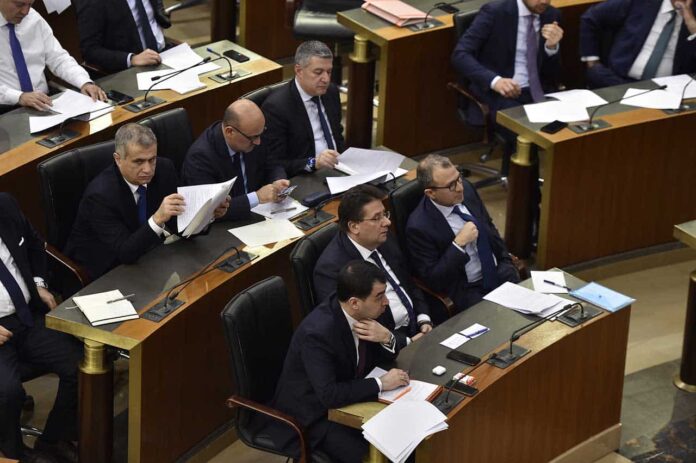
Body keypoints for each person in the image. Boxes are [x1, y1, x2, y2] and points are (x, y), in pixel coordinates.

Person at [270, 260, 410, 463]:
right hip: (315, 414)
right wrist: (381, 383)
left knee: (405, 438)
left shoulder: (370, 309)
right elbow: (329, 395)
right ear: (354, 303)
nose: (386, 302)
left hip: (351, 393)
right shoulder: (317, 334)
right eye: (379, 296)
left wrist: (386, 337)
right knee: (378, 454)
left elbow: (383, 356)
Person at [65, 124, 229, 280]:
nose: (148, 169)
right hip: (105, 269)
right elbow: (124, 253)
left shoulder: (164, 169)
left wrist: (208, 214)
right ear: (118, 159)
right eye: (138, 162)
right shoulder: (99, 196)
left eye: (152, 159)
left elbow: (178, 225)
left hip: (146, 254)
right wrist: (157, 219)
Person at [0, 193, 82, 463]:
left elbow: (35, 245)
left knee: (80, 365)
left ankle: (54, 439)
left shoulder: (6, 205)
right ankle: (14, 454)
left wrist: (38, 283)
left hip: (26, 315)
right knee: (8, 392)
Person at [314, 184, 435, 343]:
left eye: (385, 214)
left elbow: (409, 282)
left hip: (419, 328)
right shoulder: (331, 269)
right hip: (385, 345)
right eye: (377, 218)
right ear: (354, 226)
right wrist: (402, 342)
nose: (387, 222)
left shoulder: (384, 238)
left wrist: (423, 318)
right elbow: (352, 327)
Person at [451, 0, 562, 170]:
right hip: (497, 93)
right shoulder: (495, 12)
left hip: (538, 91)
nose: (544, 1)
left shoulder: (551, 15)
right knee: (526, 135)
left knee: (573, 130)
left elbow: (552, 72)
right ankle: (525, 186)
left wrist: (551, 48)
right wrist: (495, 81)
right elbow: (460, 55)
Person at [406, 155, 519, 312]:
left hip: (500, 271)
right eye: (451, 185)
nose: (460, 188)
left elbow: (489, 226)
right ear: (431, 193)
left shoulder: (467, 190)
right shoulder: (419, 227)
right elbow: (434, 279)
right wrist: (458, 245)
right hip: (469, 290)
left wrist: (505, 261)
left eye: (459, 178)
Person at [181, 99, 289, 221]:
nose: (258, 142)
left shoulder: (253, 133)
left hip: (262, 213)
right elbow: (210, 210)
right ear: (230, 132)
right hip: (224, 225)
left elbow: (272, 162)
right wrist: (257, 197)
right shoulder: (200, 157)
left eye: (260, 134)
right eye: (253, 137)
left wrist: (277, 180)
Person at [0, 0, 106, 111]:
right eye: (20, 5)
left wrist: (84, 82)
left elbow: (58, 58)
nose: (25, 11)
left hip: (44, 101)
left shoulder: (33, 18)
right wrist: (19, 97)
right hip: (6, 108)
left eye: (30, 4)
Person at [262, 40, 345, 177]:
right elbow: (275, 163)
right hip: (307, 176)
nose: (325, 79)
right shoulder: (276, 107)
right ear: (299, 70)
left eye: (329, 72)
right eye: (318, 72)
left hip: (338, 168)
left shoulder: (331, 92)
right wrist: (314, 163)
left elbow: (337, 134)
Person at [580, 0, 696, 88]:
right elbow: (591, 17)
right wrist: (592, 62)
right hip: (618, 81)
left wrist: (692, 26)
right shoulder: (640, 2)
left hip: (669, 88)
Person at [76, 0, 172, 73]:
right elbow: (89, 50)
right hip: (130, 69)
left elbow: (158, 14)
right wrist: (131, 59)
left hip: (165, 53)